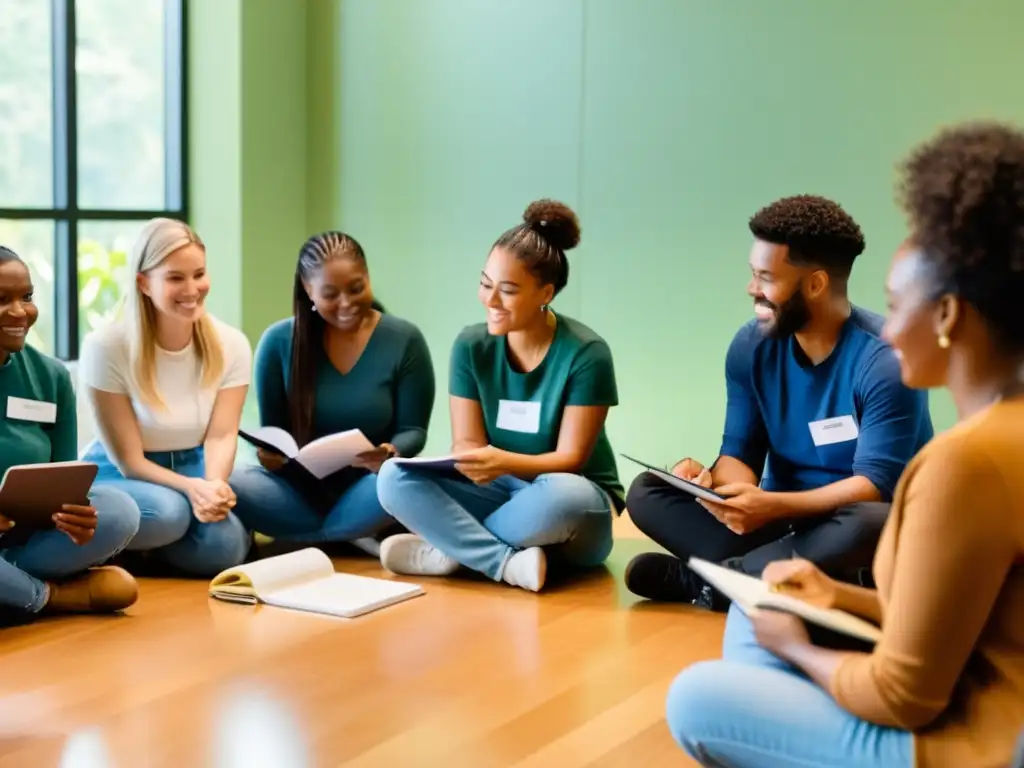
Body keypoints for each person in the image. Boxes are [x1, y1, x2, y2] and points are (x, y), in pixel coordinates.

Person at [666, 121, 1024, 768]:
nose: (887, 330)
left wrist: (803, 648)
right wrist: (836, 597)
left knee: (695, 697)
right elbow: (968, 613)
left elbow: (904, 696)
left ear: (946, 317)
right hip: (970, 681)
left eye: (896, 304)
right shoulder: (1005, 434)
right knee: (759, 607)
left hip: (967, 739)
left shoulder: (964, 461)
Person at [625, 194, 933, 609]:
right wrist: (710, 486)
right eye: (753, 274)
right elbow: (740, 455)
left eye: (765, 277)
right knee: (648, 491)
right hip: (780, 525)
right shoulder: (750, 347)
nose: (752, 288)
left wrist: (772, 506)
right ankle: (757, 580)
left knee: (868, 524)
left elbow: (873, 489)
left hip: (848, 522)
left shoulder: (884, 359)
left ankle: (712, 583)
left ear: (815, 284)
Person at [375, 199, 622, 593]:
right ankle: (504, 562)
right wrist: (476, 461)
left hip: (570, 500)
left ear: (546, 293)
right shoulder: (471, 346)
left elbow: (571, 461)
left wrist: (500, 462)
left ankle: (452, 553)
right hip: (499, 489)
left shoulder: (586, 353)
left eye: (507, 291)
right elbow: (468, 444)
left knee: (564, 496)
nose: (490, 301)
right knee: (392, 477)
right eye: (485, 284)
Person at [228, 232, 435, 553]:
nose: (346, 304)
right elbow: (275, 436)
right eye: (330, 294)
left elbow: (414, 430)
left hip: (369, 487)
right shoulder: (278, 342)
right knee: (230, 478)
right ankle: (347, 536)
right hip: (296, 493)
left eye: (356, 288)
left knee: (404, 480)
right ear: (308, 290)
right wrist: (270, 457)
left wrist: (389, 450)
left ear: (367, 277)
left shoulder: (404, 339)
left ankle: (311, 538)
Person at [78, 218, 252, 578]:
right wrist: (192, 489)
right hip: (120, 472)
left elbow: (221, 434)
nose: (192, 289)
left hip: (193, 463)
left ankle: (131, 553)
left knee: (225, 549)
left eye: (199, 274)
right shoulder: (106, 347)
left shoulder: (231, 343)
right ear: (143, 283)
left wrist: (214, 485)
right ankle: (130, 542)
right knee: (169, 514)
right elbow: (130, 462)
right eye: (175, 278)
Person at [0, 246, 139, 620]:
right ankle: (51, 596)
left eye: (26, 297)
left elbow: (63, 476)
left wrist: (78, 517)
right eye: (2, 300)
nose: (19, 312)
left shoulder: (51, 377)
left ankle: (10, 587)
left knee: (120, 510)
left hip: (22, 538)